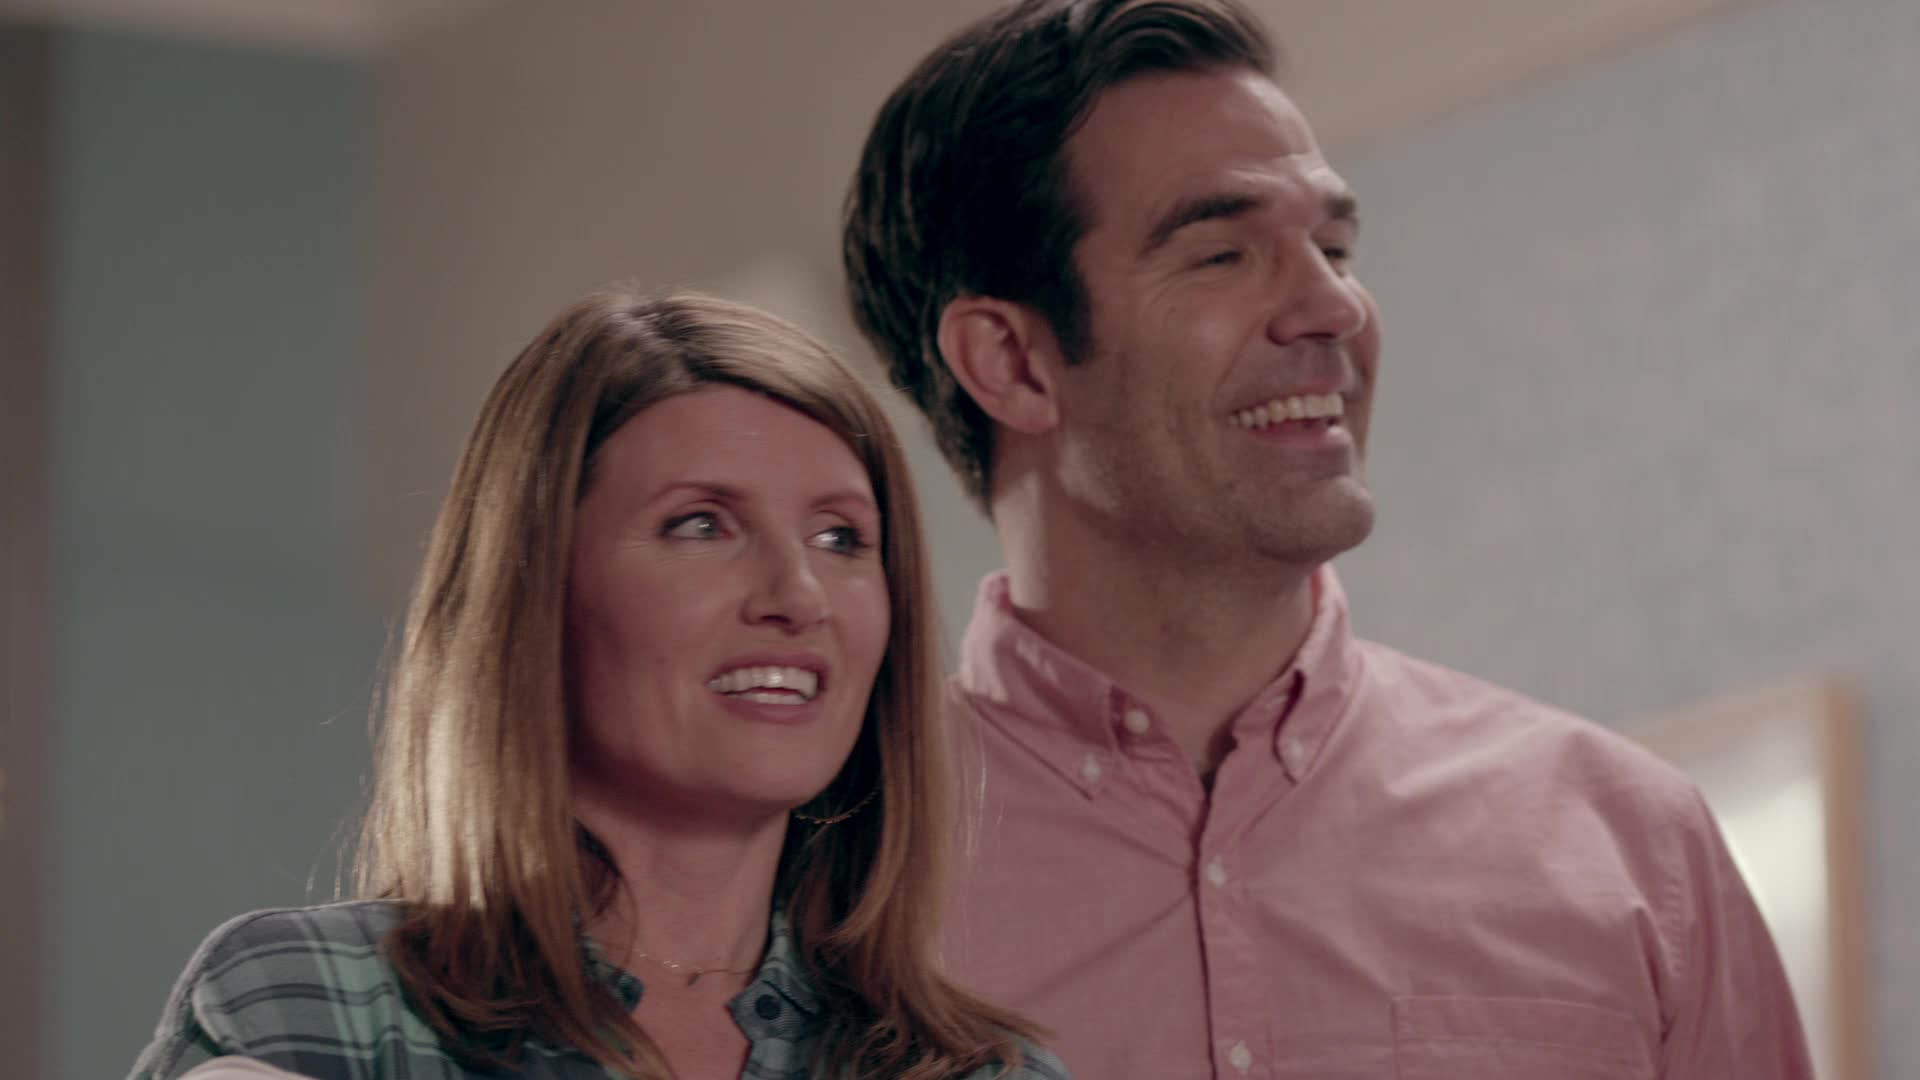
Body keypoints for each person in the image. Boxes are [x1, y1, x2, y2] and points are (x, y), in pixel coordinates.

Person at [842, 2, 1813, 1077]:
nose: (1335, 306)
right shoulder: (819, 883)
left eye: (1336, 247)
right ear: (1013, 363)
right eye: (1222, 255)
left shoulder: (1639, 847)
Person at [129, 289, 1068, 1080]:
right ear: (535, 591)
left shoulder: (994, 1073)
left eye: (841, 538)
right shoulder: (313, 1005)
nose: (798, 596)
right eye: (700, 525)